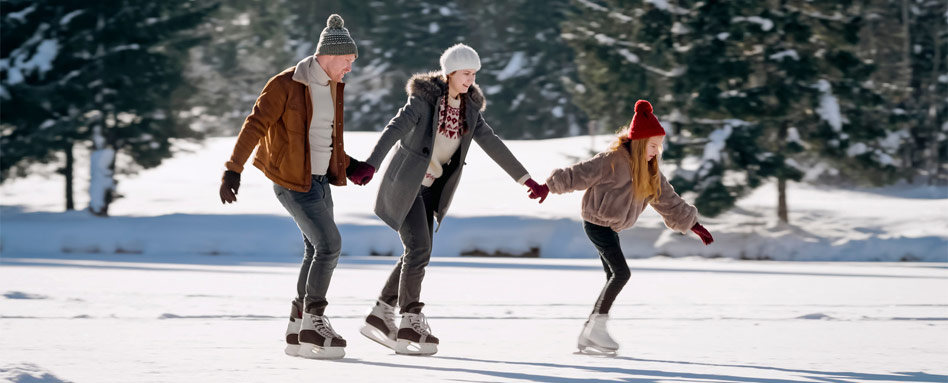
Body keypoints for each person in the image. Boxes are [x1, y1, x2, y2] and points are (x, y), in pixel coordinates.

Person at [347, 43, 548, 356]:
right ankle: (410, 318)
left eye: (474, 74)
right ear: (450, 72)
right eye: (466, 73)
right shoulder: (423, 101)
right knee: (419, 249)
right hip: (406, 185)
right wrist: (370, 164)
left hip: (430, 190)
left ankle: (381, 313)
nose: (470, 80)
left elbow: (492, 143)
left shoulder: (469, 110)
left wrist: (526, 179)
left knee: (416, 252)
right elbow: (395, 128)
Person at [218, 14, 373, 360]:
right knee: (330, 245)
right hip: (291, 181)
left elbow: (323, 139)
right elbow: (255, 124)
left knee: (315, 250)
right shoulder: (286, 84)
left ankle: (298, 324)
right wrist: (233, 170)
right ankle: (315, 321)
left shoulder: (333, 87)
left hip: (319, 181)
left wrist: (350, 165)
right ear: (330, 56)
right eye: (347, 62)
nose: (350, 69)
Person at [535, 100, 714, 355]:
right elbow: (578, 174)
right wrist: (547, 186)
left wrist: (693, 223)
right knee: (621, 274)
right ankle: (596, 328)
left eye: (659, 147)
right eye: (652, 145)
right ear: (640, 141)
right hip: (597, 223)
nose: (656, 151)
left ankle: (590, 331)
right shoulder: (612, 159)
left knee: (614, 276)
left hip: (611, 228)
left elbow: (667, 198)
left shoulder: (649, 170)